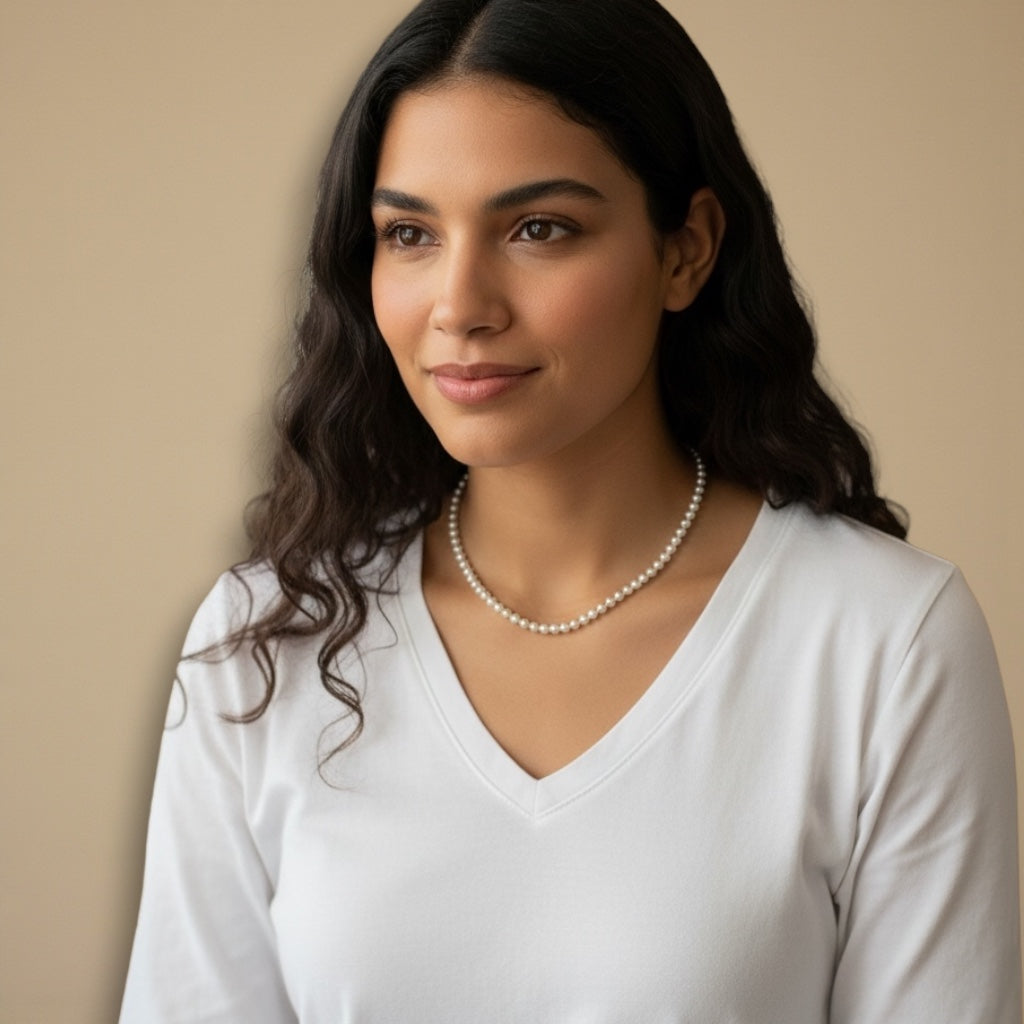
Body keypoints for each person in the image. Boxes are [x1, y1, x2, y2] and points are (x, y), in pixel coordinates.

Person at [120, 0, 1020, 1020]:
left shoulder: (881, 640)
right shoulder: (263, 641)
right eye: (408, 233)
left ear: (685, 250)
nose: (461, 304)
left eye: (538, 228)